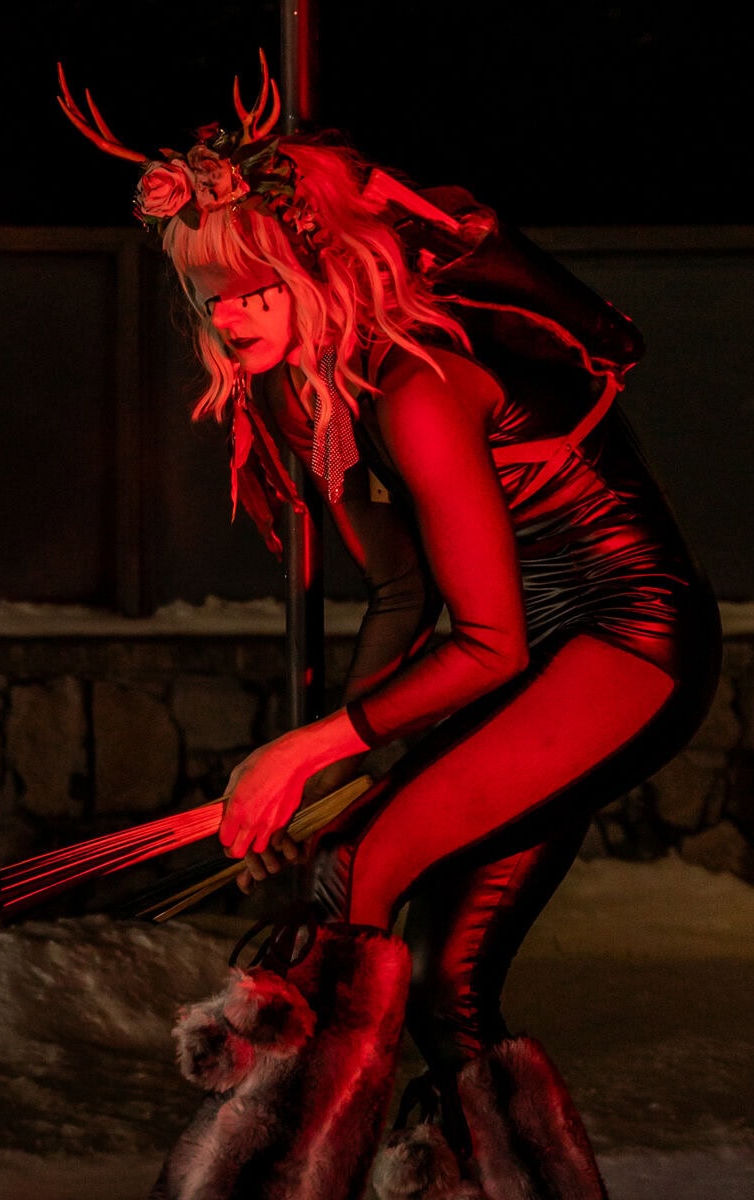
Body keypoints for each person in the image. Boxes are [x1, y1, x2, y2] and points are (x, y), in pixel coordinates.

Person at [59, 54, 721, 1200]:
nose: (224, 312)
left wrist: (307, 753)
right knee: (436, 981)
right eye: (208, 292)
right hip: (534, 655)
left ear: (312, 273)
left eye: (253, 287)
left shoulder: (415, 388)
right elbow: (406, 597)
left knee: (355, 873)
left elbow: (486, 644)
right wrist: (327, 771)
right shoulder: (315, 397)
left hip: (622, 640)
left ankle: (265, 1183)